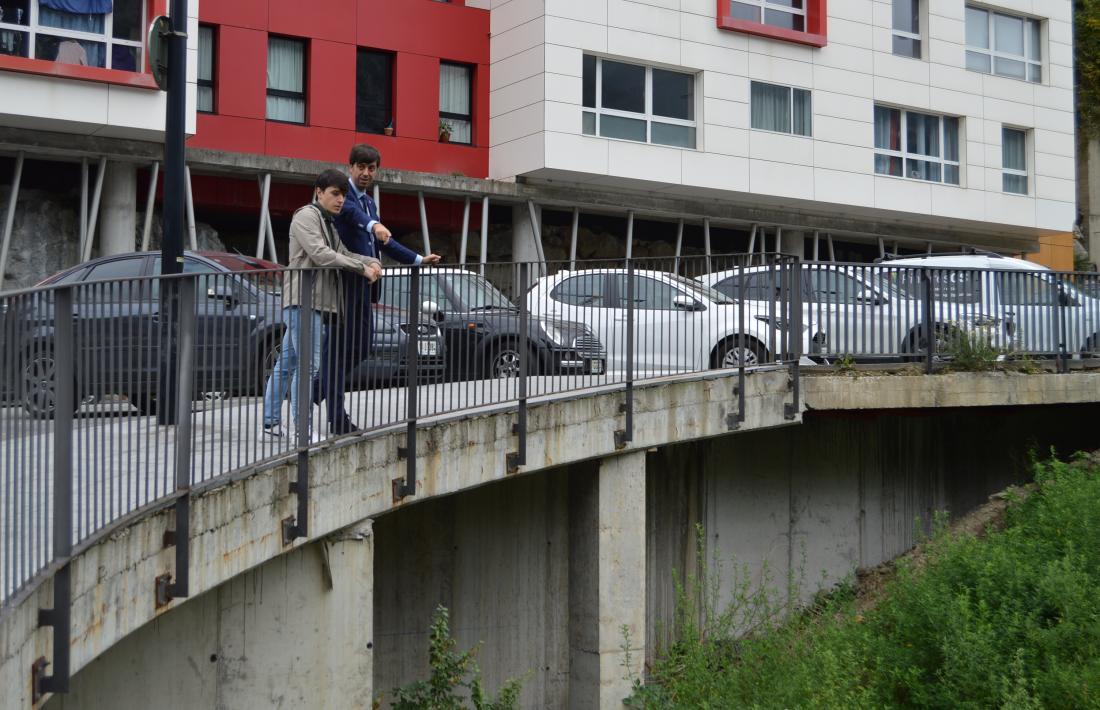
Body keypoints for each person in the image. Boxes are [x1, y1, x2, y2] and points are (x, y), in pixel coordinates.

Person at [316, 143, 441, 433]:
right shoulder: (342, 197)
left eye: (371, 168)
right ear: (351, 167)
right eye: (361, 167)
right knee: (337, 351)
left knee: (361, 347)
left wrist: (418, 259)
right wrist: (373, 225)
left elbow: (384, 242)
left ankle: (316, 389)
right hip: (343, 285)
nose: (366, 173)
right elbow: (356, 218)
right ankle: (336, 416)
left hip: (365, 286)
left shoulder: (369, 203)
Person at [263, 169, 381, 437]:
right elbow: (320, 254)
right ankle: (302, 430)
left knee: (287, 364)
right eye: (335, 194)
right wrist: (361, 268)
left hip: (312, 302)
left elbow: (342, 252)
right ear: (319, 192)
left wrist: (371, 261)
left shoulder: (327, 222)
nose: (340, 200)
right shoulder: (306, 216)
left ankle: (270, 424)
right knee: (308, 365)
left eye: (343, 195)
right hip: (305, 301)